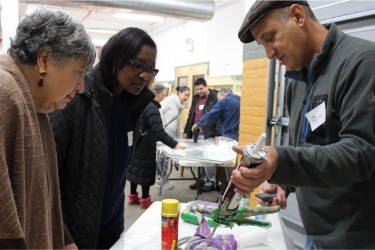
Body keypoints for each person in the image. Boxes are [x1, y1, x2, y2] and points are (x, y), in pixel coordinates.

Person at [232, 1, 375, 249]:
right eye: (262, 46)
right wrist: (284, 183)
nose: (269, 54)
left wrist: (281, 162)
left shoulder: (362, 62)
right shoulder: (297, 78)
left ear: (297, 16)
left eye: (270, 37)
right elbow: (307, 145)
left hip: (355, 236)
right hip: (316, 230)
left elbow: (362, 153)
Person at [49, 27, 158, 249]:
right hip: (74, 235)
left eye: (150, 69)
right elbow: (46, 179)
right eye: (138, 64)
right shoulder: (75, 99)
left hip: (112, 227)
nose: (144, 75)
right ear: (115, 59)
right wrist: (65, 238)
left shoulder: (132, 107)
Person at [0, 9, 95, 249]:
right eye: (78, 73)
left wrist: (64, 240)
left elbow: (41, 195)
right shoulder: (5, 94)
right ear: (44, 60)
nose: (81, 87)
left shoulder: (34, 104)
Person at [127, 84, 184, 208]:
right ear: (156, 93)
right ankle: (145, 200)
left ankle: (132, 197)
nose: (163, 98)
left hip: (136, 142)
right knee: (145, 171)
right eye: (162, 95)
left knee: (134, 170)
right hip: (146, 146)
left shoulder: (140, 103)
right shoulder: (152, 108)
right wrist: (174, 144)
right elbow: (159, 131)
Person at [194, 87, 240, 194]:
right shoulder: (239, 99)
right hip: (239, 138)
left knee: (228, 170)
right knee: (236, 169)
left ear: (223, 94)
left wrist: (198, 124)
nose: (218, 101)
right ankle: (234, 195)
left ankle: (226, 195)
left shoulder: (224, 101)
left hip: (229, 140)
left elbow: (211, 115)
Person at [183, 77, 220, 192]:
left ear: (206, 86)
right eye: (197, 89)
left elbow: (219, 116)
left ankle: (211, 181)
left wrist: (217, 133)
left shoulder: (214, 97)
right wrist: (186, 130)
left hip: (209, 133)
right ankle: (201, 180)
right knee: (198, 157)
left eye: (201, 89)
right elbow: (191, 115)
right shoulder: (195, 98)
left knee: (208, 158)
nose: (199, 91)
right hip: (196, 133)